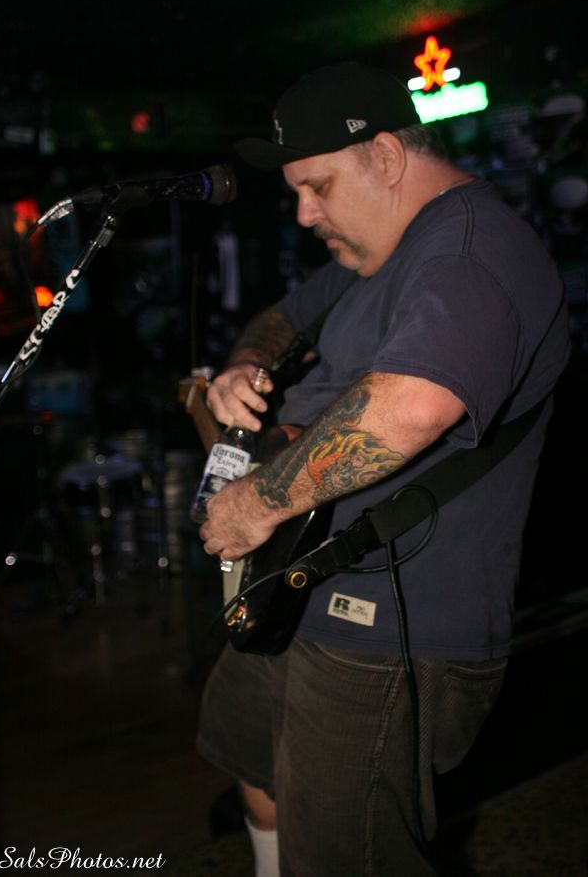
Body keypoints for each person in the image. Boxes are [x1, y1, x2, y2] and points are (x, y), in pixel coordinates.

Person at [195, 62, 570, 877]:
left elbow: (413, 405)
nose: (304, 213)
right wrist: (243, 365)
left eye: (318, 187)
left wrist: (259, 501)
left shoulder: (469, 248)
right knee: (250, 757)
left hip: (388, 624)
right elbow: (279, 318)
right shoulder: (379, 251)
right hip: (294, 586)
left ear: (388, 157)